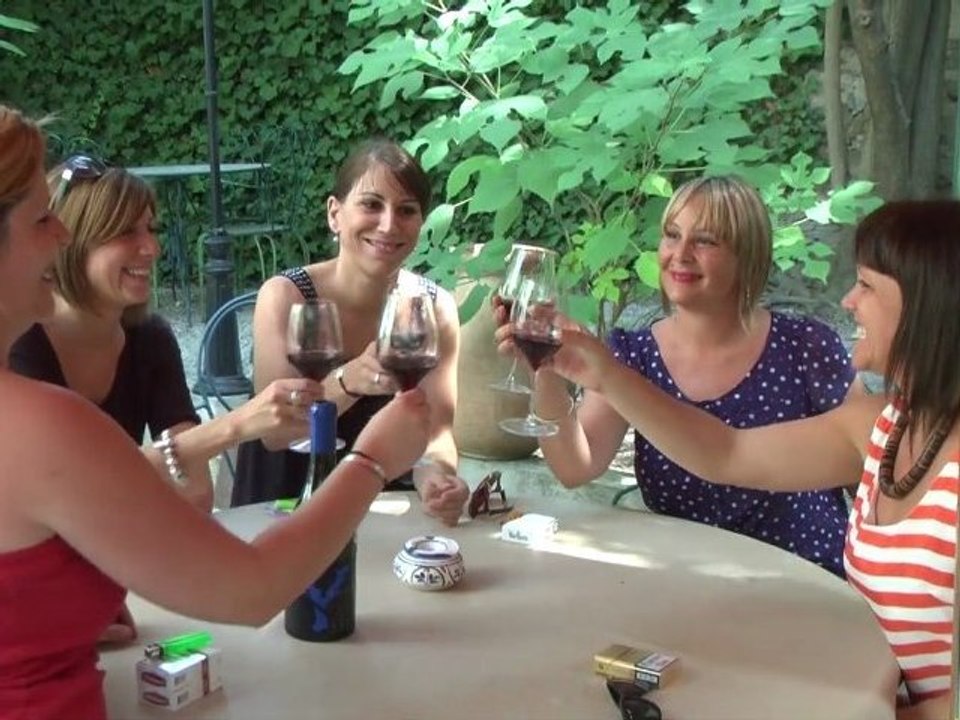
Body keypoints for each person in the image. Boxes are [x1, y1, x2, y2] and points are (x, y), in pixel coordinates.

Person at [0, 105, 430, 720]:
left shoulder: (137, 348)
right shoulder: (37, 421)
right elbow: (251, 591)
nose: (63, 234)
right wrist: (371, 459)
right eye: (44, 218)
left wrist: (65, 603)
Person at [537, 200, 960, 718]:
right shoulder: (882, 426)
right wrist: (602, 373)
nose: (848, 301)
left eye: (868, 286)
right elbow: (725, 451)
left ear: (929, 305)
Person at [500, 176, 861, 577]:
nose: (680, 254)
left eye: (704, 241)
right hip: (683, 583)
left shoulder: (805, 346)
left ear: (747, 256)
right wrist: (546, 371)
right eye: (672, 235)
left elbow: (866, 480)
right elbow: (575, 468)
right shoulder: (632, 355)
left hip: (802, 584)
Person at [11, 161, 315, 516]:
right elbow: (61, 494)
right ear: (69, 242)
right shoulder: (20, 344)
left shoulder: (149, 338)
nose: (151, 248)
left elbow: (196, 493)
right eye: (126, 232)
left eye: (151, 229)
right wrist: (233, 426)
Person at [231, 138, 469, 525]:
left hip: (382, 513)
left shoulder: (433, 307)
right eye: (372, 205)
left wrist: (438, 480)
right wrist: (346, 381)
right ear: (334, 214)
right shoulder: (287, 296)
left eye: (406, 210)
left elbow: (436, 434)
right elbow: (275, 433)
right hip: (282, 510)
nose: (389, 224)